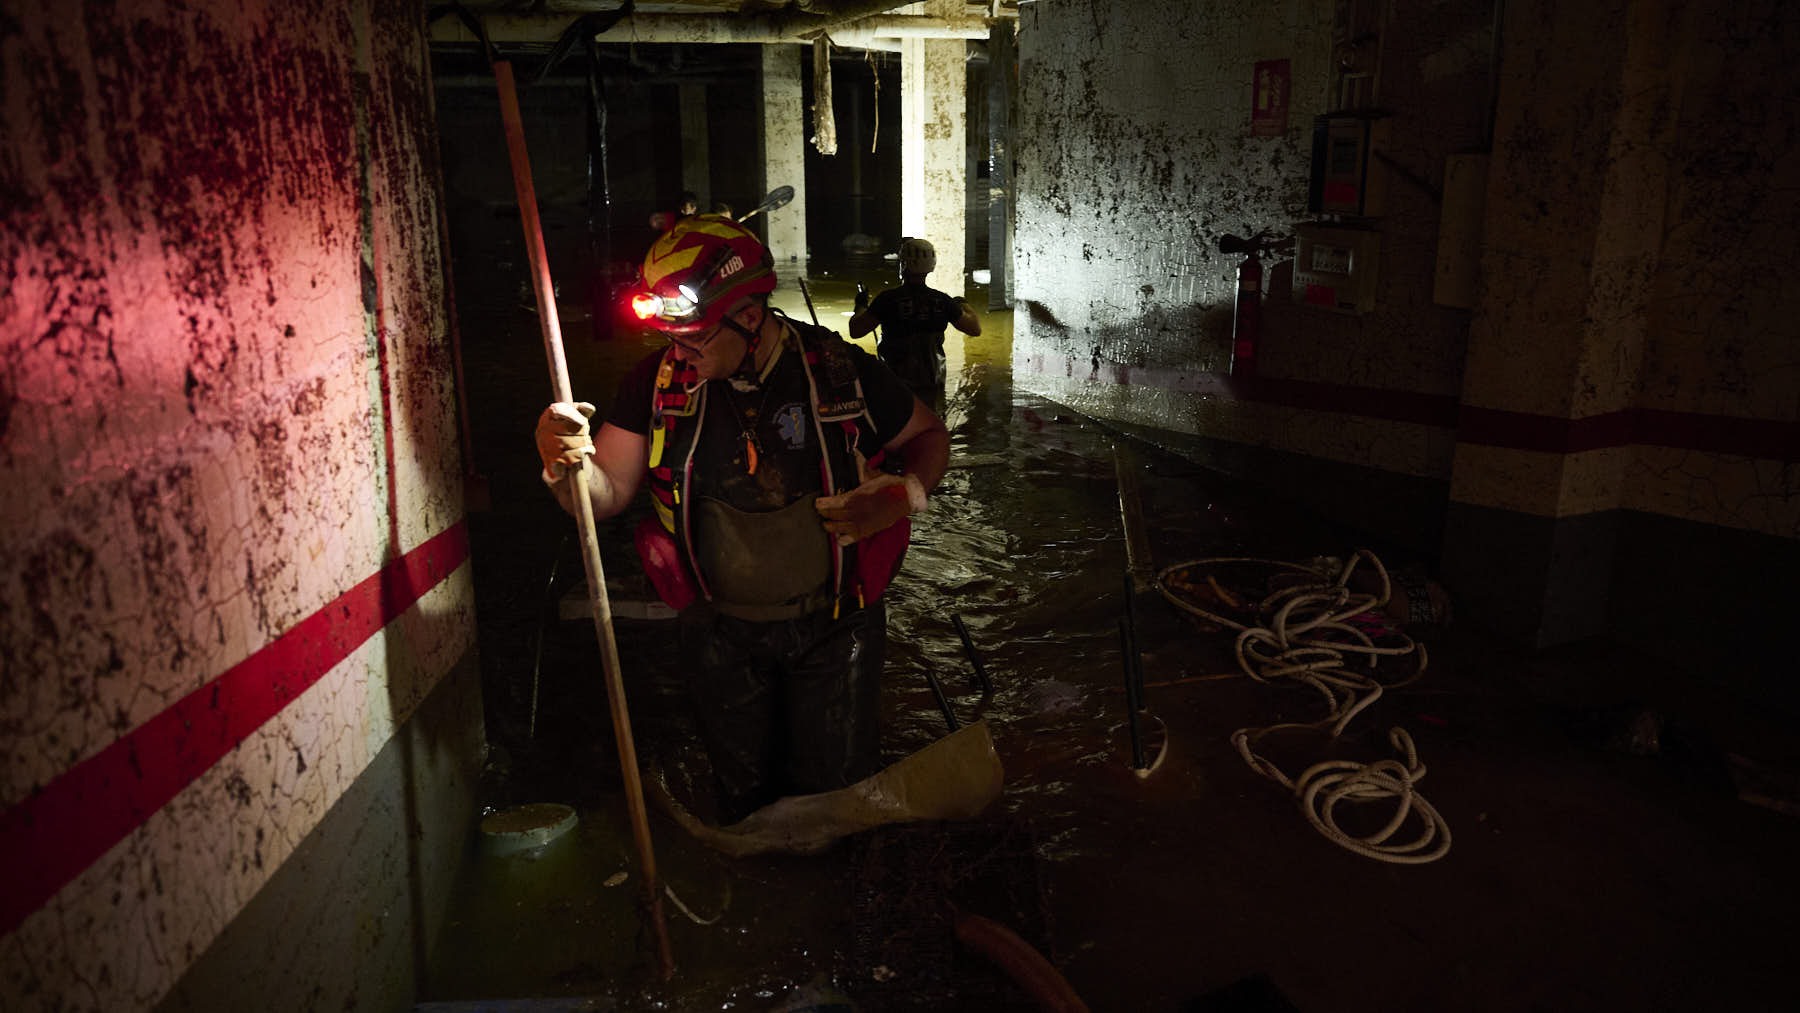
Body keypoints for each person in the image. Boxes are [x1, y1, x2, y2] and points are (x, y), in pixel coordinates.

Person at [534, 214, 950, 824]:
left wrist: (905, 492)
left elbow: (930, 436)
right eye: (671, 339)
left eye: (695, 338)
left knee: (836, 801)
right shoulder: (653, 385)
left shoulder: (837, 370)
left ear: (750, 318)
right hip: (718, 631)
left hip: (836, 628)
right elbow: (607, 496)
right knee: (741, 799)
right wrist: (564, 465)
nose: (679, 353)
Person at [848, 237, 981, 393]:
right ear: (932, 266)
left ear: (903, 265)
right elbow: (974, 329)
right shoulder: (942, 301)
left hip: (895, 384)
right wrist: (962, 303)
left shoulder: (887, 299)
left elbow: (856, 331)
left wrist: (861, 305)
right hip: (933, 381)